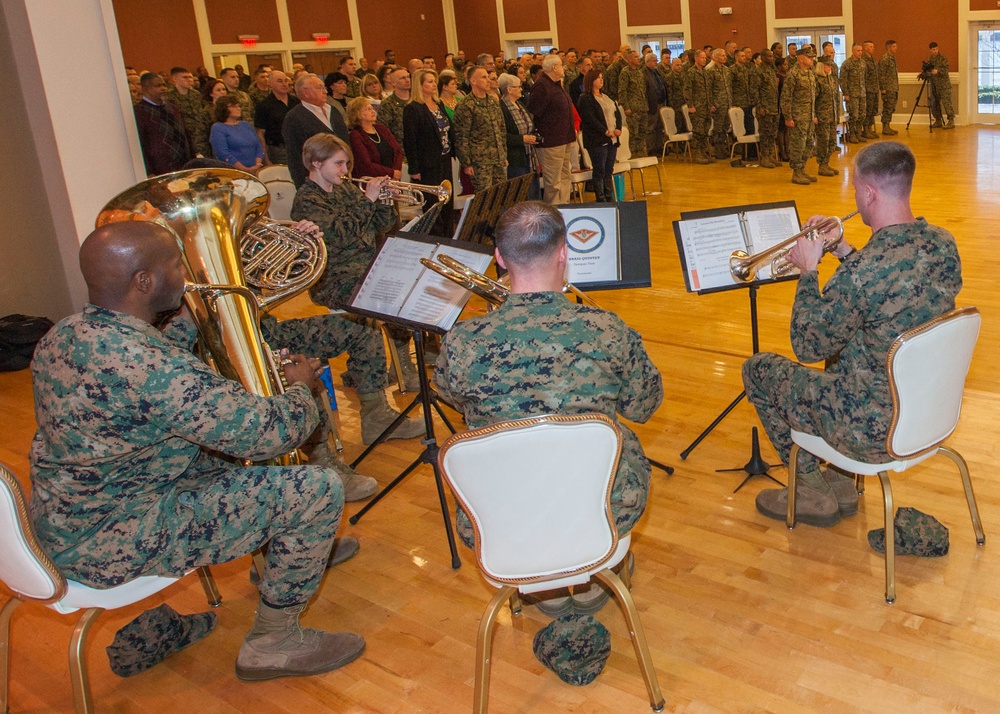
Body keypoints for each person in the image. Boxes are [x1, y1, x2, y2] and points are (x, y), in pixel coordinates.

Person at [30, 220, 366, 681]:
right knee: (315, 489)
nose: (186, 275)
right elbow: (267, 432)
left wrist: (212, 307)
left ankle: (280, 556)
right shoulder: (152, 367)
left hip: (72, 519)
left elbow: (148, 375)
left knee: (223, 457)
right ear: (144, 281)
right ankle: (273, 642)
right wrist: (302, 390)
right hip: (116, 539)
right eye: (176, 264)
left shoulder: (63, 335)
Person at [434, 201, 663, 615]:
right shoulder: (607, 329)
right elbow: (645, 405)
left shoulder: (461, 340)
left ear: (500, 258)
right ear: (563, 254)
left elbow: (451, 397)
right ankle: (590, 574)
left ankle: (543, 588)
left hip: (503, 516)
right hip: (603, 509)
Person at [744, 141, 962, 527]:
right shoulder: (942, 243)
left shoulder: (861, 272)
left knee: (758, 369)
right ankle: (843, 483)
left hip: (873, 428)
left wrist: (809, 271)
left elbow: (808, 345)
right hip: (927, 408)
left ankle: (811, 488)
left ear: (868, 193)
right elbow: (891, 295)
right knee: (845, 349)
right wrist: (844, 250)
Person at [291, 134, 427, 398]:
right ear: (316, 163)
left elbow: (380, 226)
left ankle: (403, 367)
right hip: (334, 278)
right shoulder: (307, 200)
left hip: (365, 269)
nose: (345, 171)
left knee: (406, 287)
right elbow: (340, 237)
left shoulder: (343, 188)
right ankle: (374, 395)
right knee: (386, 298)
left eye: (347, 165)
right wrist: (368, 199)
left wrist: (386, 200)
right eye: (339, 164)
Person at [403, 68, 455, 236]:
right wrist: (414, 168)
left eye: (435, 81)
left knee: (447, 201)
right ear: (420, 85)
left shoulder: (438, 104)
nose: (434, 84)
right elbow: (410, 140)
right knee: (434, 204)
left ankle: (448, 237)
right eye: (430, 81)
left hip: (444, 159)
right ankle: (436, 238)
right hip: (427, 164)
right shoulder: (413, 108)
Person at [282, 74, 349, 187]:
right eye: (320, 88)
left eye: (324, 88)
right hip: (316, 181)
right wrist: (303, 185)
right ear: (305, 92)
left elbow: (345, 142)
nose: (325, 92)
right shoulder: (294, 117)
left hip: (342, 176)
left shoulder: (333, 111)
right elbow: (295, 156)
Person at [526, 54, 576, 204]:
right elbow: (533, 113)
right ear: (554, 67)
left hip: (564, 138)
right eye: (561, 65)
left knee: (565, 176)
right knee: (553, 182)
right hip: (551, 142)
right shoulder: (542, 86)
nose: (564, 68)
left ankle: (565, 208)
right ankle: (553, 212)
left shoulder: (556, 84)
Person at [452, 65, 507, 194]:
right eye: (484, 77)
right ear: (473, 81)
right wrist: (467, 163)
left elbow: (501, 129)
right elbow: (461, 136)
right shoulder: (466, 105)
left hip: (498, 159)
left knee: (502, 195)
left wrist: (503, 154)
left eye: (488, 77)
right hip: (480, 162)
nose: (488, 80)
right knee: (485, 199)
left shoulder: (493, 102)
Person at [134, 72, 192, 176]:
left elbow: (186, 133)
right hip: (160, 168)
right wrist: (149, 171)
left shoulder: (173, 107)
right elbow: (141, 143)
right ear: (145, 88)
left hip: (184, 164)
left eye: (164, 85)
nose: (163, 88)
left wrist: (192, 159)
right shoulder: (139, 111)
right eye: (158, 86)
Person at [577, 69, 621, 202]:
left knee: (609, 168)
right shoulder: (585, 98)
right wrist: (605, 131)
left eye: (602, 77)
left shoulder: (606, 96)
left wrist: (618, 128)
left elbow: (617, 113)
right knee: (599, 169)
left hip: (612, 138)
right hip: (597, 139)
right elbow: (590, 118)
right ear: (591, 81)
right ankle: (600, 197)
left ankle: (609, 195)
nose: (601, 80)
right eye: (598, 78)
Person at [497, 72, 540, 200]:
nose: (521, 89)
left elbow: (529, 125)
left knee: (533, 190)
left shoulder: (520, 104)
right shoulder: (502, 108)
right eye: (518, 87)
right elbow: (501, 135)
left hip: (528, 155)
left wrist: (532, 136)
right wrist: (522, 139)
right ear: (509, 89)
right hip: (515, 158)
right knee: (521, 192)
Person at [781, 46, 818, 185]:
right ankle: (796, 173)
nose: (812, 59)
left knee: (808, 144)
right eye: (809, 57)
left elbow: (813, 97)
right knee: (798, 145)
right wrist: (788, 117)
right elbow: (786, 98)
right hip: (797, 117)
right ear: (801, 58)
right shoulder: (793, 74)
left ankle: (802, 170)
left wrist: (813, 114)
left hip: (808, 116)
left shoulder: (809, 73)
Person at [347, 96, 402, 180]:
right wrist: (391, 173)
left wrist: (396, 172)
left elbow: (397, 151)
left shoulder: (381, 128)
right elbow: (366, 165)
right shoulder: (355, 135)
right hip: (372, 181)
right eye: (368, 109)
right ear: (357, 114)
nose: (373, 111)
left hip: (393, 180)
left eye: (372, 108)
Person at [209, 95, 264, 174]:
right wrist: (244, 169)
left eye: (238, 106)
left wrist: (258, 164)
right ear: (223, 109)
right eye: (233, 106)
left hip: (256, 169)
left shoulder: (246, 125)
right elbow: (223, 154)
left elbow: (258, 146)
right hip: (234, 171)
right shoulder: (218, 128)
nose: (238, 108)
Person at [254, 70, 300, 165]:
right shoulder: (264, 105)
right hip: (278, 150)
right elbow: (260, 133)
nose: (284, 84)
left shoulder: (296, 102)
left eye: (286, 81)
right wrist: (265, 158)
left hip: (298, 146)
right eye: (279, 81)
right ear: (270, 83)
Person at [814, 56, 841, 177]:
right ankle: (822, 165)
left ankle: (826, 163)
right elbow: (813, 99)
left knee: (832, 141)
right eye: (827, 65)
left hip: (832, 115)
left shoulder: (830, 79)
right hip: (822, 116)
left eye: (830, 65)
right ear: (821, 66)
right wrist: (814, 115)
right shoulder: (817, 80)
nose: (830, 67)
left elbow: (835, 98)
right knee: (823, 141)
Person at [840, 44, 867, 144]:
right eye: (858, 50)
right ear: (853, 51)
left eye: (861, 50)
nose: (860, 52)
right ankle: (852, 134)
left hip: (862, 93)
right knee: (853, 115)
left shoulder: (863, 63)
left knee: (862, 115)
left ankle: (859, 133)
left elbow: (865, 77)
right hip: (852, 94)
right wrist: (845, 93)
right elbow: (843, 80)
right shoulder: (847, 64)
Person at [927, 42, 955, 129]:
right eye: (933, 49)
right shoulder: (931, 59)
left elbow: (946, 70)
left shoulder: (943, 58)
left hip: (944, 85)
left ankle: (951, 121)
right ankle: (938, 120)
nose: (935, 51)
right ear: (930, 50)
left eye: (936, 49)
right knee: (934, 103)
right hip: (934, 86)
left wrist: (938, 71)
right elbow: (928, 70)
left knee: (947, 103)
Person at [878, 40, 899, 136]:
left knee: (891, 107)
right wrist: (883, 88)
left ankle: (888, 125)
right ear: (889, 47)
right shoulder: (885, 59)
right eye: (894, 46)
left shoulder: (893, 58)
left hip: (893, 87)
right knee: (887, 107)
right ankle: (885, 127)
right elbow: (881, 74)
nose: (896, 48)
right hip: (888, 88)